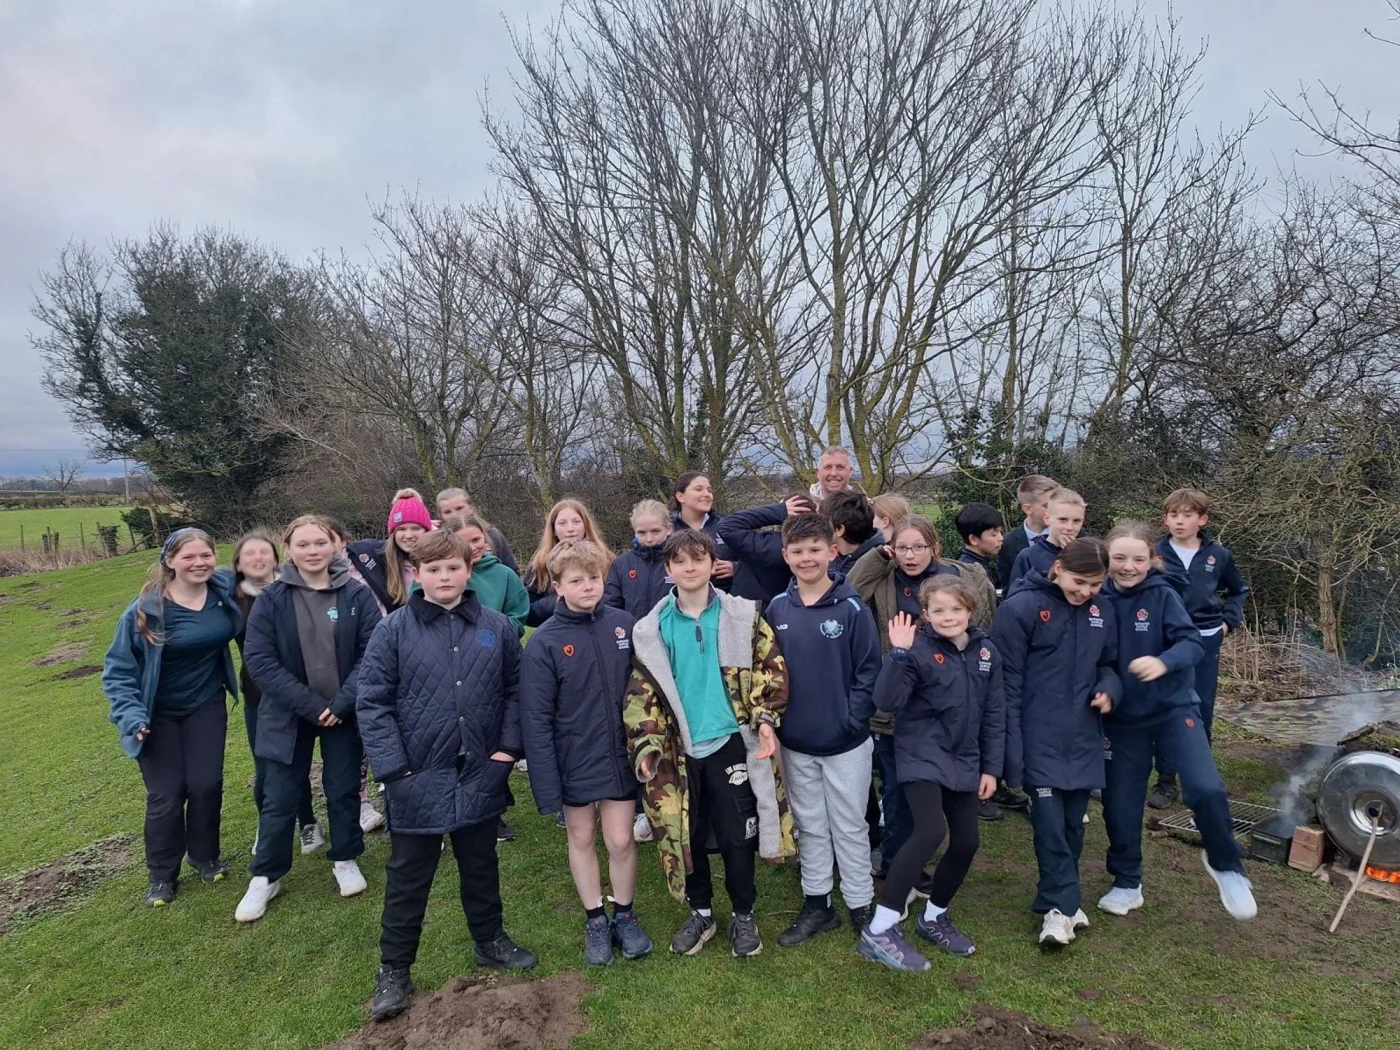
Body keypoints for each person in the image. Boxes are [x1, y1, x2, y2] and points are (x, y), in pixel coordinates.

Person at [357, 529, 537, 1023]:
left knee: (480, 863)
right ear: (416, 573)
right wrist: (395, 770)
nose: (444, 577)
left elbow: (515, 691)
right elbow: (372, 702)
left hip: (480, 769)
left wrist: (505, 752)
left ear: (468, 569)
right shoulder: (393, 630)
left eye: (453, 568)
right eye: (433, 569)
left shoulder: (496, 627)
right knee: (408, 876)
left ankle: (490, 939)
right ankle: (394, 969)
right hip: (416, 773)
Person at [623, 529, 796, 958]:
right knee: (689, 836)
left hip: (731, 743)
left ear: (711, 563)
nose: (690, 568)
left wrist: (765, 720)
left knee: (738, 837)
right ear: (668, 569)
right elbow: (641, 695)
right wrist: (646, 745)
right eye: (680, 561)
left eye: (698, 559)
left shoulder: (743, 616)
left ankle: (743, 914)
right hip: (680, 752)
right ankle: (701, 911)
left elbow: (770, 670)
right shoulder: (651, 630)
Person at [1097, 523, 1257, 922]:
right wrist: (1105, 689)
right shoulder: (1096, 600)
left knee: (1205, 787)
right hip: (1123, 720)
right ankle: (1127, 882)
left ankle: (1226, 865)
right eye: (1119, 558)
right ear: (1106, 559)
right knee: (1120, 805)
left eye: (1138, 559)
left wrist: (1163, 662)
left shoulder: (1163, 594)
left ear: (1152, 560)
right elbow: (1095, 659)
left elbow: (1191, 643)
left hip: (1174, 708)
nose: (1128, 566)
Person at [235, 516, 383, 922]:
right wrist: (310, 705)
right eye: (303, 544)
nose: (313, 551)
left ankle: (345, 858)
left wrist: (341, 703)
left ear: (333, 546)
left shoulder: (356, 594)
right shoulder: (273, 599)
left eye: (320, 543)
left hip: (343, 712)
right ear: (288, 549)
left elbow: (373, 653)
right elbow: (259, 660)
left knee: (342, 788)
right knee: (280, 795)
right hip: (288, 712)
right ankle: (266, 875)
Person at [520, 540, 655, 966]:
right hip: (573, 759)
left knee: (621, 839)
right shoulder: (544, 643)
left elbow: (646, 689)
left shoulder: (623, 625)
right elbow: (535, 719)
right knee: (581, 837)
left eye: (594, 578)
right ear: (558, 587)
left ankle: (624, 914)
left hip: (619, 755)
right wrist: (547, 783)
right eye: (576, 581)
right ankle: (596, 918)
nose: (588, 587)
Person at [860, 577, 1005, 972]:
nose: (948, 617)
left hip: (965, 760)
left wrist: (992, 768)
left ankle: (934, 917)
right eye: (938, 610)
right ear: (926, 614)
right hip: (921, 755)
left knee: (967, 842)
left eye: (956, 609)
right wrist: (898, 654)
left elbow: (995, 713)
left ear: (970, 611)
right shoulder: (916, 649)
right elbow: (886, 701)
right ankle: (880, 927)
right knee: (929, 832)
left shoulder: (987, 652)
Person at [849, 514, 998, 878]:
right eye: (901, 547)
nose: (910, 555)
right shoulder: (884, 576)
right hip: (897, 700)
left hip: (947, 701)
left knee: (939, 794)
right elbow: (851, 590)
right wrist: (878, 556)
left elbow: (981, 622)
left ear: (934, 546)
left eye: (918, 547)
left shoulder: (959, 576)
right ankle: (899, 864)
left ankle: (921, 856)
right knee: (897, 791)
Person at [102, 527, 242, 907]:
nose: (199, 563)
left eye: (205, 555)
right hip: (155, 713)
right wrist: (132, 716)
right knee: (166, 795)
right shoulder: (146, 610)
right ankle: (162, 876)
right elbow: (117, 670)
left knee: (206, 784)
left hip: (206, 704)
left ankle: (205, 856)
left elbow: (265, 576)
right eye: (188, 557)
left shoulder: (223, 591)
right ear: (169, 561)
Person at [992, 538, 1120, 947]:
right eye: (1079, 582)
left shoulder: (1103, 611)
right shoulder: (1020, 608)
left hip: (1083, 735)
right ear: (1059, 567)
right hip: (1037, 735)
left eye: (1095, 585)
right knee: (1048, 824)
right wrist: (1010, 748)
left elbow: (1109, 664)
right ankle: (1062, 909)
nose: (1086, 592)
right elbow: (1005, 683)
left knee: (1071, 824)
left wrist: (1109, 689)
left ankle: (1060, 904)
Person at [763, 513, 881, 948]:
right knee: (810, 824)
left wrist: (851, 720)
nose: (807, 558)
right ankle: (818, 904)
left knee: (849, 824)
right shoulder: (777, 608)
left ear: (832, 551)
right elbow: (770, 672)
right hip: (797, 742)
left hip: (845, 742)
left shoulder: (852, 608)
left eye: (815, 549)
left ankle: (861, 904)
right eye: (797, 551)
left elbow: (868, 671)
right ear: (785, 556)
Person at [1148, 489, 1251, 809]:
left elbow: (1238, 590)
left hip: (1206, 639)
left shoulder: (1218, 555)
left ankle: (1198, 779)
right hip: (1167, 641)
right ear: (1165, 519)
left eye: (1187, 515)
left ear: (1202, 519)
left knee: (1200, 708)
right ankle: (1166, 781)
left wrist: (1228, 623)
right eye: (1174, 515)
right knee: (1167, 707)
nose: (1180, 521)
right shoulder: (1155, 554)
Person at [232, 530, 321, 855]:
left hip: (302, 691)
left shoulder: (296, 589)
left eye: (263, 552)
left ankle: (308, 823)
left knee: (299, 764)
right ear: (238, 563)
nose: (257, 558)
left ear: (276, 557)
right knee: (267, 767)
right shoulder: (232, 599)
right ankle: (267, 825)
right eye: (249, 553)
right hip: (259, 696)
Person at [714, 493, 815, 603]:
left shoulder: (768, 546)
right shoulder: (818, 549)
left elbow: (726, 526)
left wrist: (779, 510)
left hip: (751, 608)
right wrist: (737, 567)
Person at [347, 489, 436, 613]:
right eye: (401, 529)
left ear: (427, 531)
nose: (408, 535)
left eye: (416, 528)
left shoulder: (441, 558)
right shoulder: (381, 562)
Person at [523, 499, 609, 627]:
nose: (570, 529)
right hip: (558, 632)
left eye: (576, 522)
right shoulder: (539, 565)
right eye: (562, 523)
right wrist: (563, 599)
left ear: (586, 525)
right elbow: (527, 611)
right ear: (553, 529)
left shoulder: (607, 560)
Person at [446, 513, 531, 637]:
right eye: (462, 543)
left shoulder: (505, 575)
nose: (472, 548)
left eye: (476, 540)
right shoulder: (439, 575)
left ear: (484, 536)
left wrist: (489, 637)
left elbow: (517, 620)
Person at [604, 499, 674, 619]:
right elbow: (611, 607)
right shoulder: (621, 564)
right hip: (632, 629)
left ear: (668, 529)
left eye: (655, 531)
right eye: (642, 532)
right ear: (634, 531)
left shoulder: (679, 560)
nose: (649, 539)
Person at [1008, 487, 1086, 586]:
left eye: (1076, 521)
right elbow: (1016, 593)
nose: (1069, 527)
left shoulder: (1089, 555)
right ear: (1047, 519)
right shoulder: (1028, 556)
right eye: (1063, 520)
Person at [669, 471, 737, 586]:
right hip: (678, 595)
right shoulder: (666, 529)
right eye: (699, 489)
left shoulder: (728, 526)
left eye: (709, 490)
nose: (707, 494)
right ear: (680, 496)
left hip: (724, 595)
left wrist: (736, 568)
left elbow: (755, 559)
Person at [435, 486, 519, 574]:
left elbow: (511, 569)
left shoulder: (492, 535)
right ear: (440, 515)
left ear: (471, 508)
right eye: (447, 512)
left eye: (459, 508)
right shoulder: (438, 542)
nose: (454, 515)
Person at [996, 475, 1059, 586]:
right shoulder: (1008, 543)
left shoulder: (1072, 534)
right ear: (1028, 509)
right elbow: (1009, 586)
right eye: (1047, 506)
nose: (1055, 510)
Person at [822, 490, 885, 577]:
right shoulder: (825, 557)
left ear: (839, 529)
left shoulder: (877, 565)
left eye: (823, 523)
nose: (818, 527)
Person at [954, 502, 1006, 598]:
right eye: (994, 534)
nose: (1001, 538)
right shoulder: (969, 573)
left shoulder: (981, 563)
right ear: (973, 539)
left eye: (1000, 532)